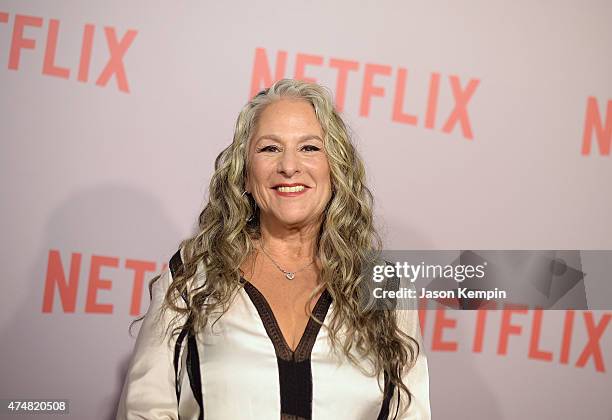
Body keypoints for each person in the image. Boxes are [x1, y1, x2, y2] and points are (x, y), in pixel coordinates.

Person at [116, 79, 430, 420]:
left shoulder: (382, 284)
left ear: (336, 169)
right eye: (269, 149)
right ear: (245, 174)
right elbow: (144, 411)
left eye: (310, 148)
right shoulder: (191, 277)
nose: (289, 166)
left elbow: (410, 413)